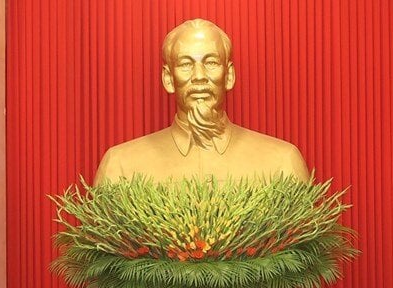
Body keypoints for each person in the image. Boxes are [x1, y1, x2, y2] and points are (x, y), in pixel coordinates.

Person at [93, 18, 310, 184]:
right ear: (168, 79)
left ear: (229, 75)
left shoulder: (282, 163)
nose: (199, 76)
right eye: (186, 64)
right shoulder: (120, 166)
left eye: (211, 62)